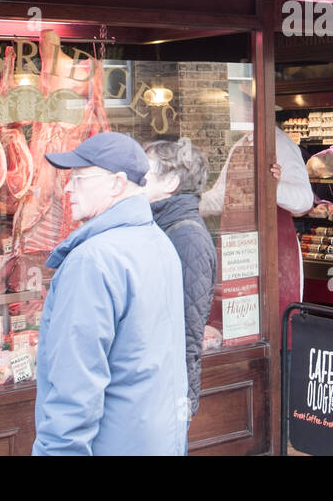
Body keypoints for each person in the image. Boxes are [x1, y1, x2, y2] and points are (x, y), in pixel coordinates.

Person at [32, 131, 188, 455]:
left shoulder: (93, 260)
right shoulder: (158, 242)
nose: (68, 187)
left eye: (79, 177)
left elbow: (75, 389)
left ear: (117, 183)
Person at [201, 122, 313, 334]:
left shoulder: (281, 145)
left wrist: (275, 189)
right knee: (236, 323)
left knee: (273, 325)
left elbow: (304, 201)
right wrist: (189, 203)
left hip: (272, 252)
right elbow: (221, 196)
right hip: (239, 250)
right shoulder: (241, 144)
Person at [144, 138, 216, 421]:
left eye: (145, 172)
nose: (136, 179)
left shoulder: (187, 237)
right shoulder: (162, 226)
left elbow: (188, 329)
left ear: (171, 182)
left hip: (166, 392)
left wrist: (180, 401)